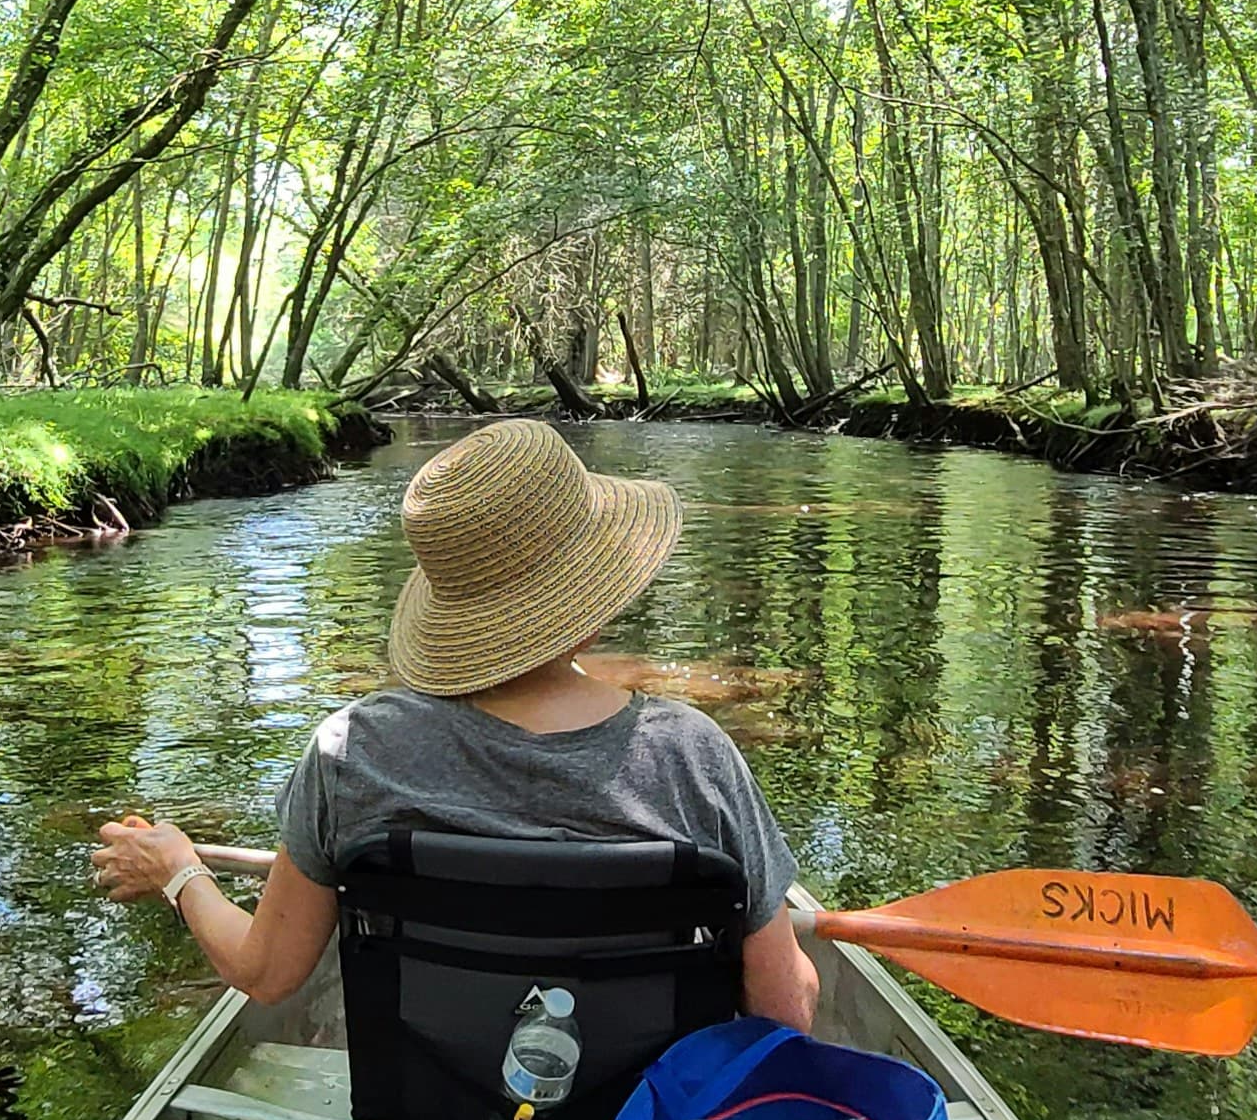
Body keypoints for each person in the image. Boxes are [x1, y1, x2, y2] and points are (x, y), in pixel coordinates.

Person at [92, 418, 816, 1029]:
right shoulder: (693, 758)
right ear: (591, 603)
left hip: (428, 1096)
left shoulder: (352, 754)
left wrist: (179, 870)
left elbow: (267, 973)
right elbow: (786, 1015)